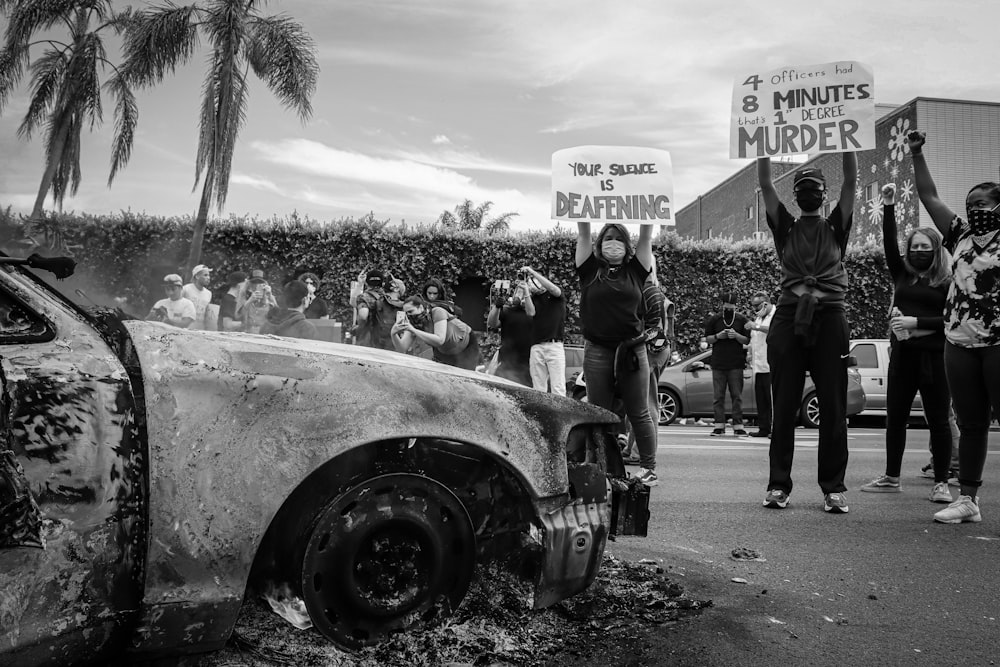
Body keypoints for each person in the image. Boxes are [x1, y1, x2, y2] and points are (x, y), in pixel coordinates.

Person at [908, 130, 1000, 524]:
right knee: (971, 421)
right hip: (958, 343)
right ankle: (969, 501)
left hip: (997, 342)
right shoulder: (960, 234)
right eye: (969, 204)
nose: (973, 209)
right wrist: (916, 153)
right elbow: (929, 197)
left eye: (981, 204)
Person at [757, 151, 857, 514]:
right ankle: (778, 486)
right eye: (802, 188)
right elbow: (766, 183)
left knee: (833, 404)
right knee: (783, 404)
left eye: (814, 188)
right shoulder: (785, 226)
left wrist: (848, 141)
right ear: (795, 196)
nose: (807, 192)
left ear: (824, 194)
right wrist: (764, 142)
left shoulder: (836, 226)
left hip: (830, 316)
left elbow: (850, 182)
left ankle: (833, 488)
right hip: (788, 317)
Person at [860, 183, 954, 504]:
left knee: (939, 421)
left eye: (924, 247)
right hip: (902, 357)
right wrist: (887, 204)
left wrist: (915, 323)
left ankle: (941, 482)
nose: (917, 251)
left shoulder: (946, 281)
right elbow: (889, 244)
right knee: (895, 418)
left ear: (936, 249)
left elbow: (950, 323)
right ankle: (891, 477)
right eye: (913, 246)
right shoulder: (902, 274)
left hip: (934, 360)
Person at [575, 222, 658, 487]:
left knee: (639, 412)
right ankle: (599, 467)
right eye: (608, 238)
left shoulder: (636, 269)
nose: (613, 243)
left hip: (632, 350)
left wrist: (649, 211)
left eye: (618, 238)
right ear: (599, 244)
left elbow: (646, 233)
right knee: (598, 414)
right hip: (597, 350)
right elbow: (583, 230)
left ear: (627, 245)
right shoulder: (590, 269)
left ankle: (649, 469)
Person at [704, 291, 750, 437]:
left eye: (731, 307)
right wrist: (718, 336)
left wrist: (736, 336)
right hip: (718, 363)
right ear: (722, 305)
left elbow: (747, 340)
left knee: (737, 396)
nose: (729, 309)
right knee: (718, 396)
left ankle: (738, 425)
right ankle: (719, 426)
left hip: (736, 363)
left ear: (735, 306)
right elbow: (708, 339)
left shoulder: (742, 320)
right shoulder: (714, 319)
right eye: (726, 307)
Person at [392, 295, 480, 370]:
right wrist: (393, 334)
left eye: (411, 311)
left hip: (467, 346)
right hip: (444, 351)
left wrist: (413, 330)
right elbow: (402, 349)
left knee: (465, 379)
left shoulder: (437, 312)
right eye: (406, 313)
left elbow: (439, 340)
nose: (409, 316)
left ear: (421, 307)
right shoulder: (413, 324)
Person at [524, 266, 567, 395]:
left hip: (554, 345)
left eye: (534, 280)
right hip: (537, 345)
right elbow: (530, 312)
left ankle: (560, 414)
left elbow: (554, 289)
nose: (532, 283)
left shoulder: (555, 295)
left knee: (558, 387)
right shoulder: (533, 299)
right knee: (538, 387)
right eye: (530, 280)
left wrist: (531, 272)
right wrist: (526, 291)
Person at [486, 277, 534, 386]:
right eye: (518, 291)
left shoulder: (534, 312)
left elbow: (531, 312)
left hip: (529, 362)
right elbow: (492, 323)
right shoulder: (507, 310)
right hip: (507, 359)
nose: (520, 295)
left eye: (524, 292)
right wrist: (497, 306)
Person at [353, 269, 404, 350]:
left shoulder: (364, 297)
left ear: (367, 282)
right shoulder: (388, 297)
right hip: (387, 341)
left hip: (368, 341)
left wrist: (360, 284)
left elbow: (363, 315)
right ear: (382, 283)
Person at [747, 291, 775, 438]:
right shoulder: (758, 318)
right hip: (758, 366)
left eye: (757, 306)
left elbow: (773, 330)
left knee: (772, 401)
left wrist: (756, 327)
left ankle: (775, 428)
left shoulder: (776, 315)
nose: (755, 309)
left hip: (771, 365)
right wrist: (749, 353)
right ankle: (764, 428)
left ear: (765, 303)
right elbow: (755, 339)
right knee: (762, 400)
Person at [239, 269, 277, 334]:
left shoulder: (270, 300)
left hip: (265, 336)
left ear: (266, 284)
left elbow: (279, 317)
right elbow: (239, 317)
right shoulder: (245, 298)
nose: (257, 285)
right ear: (250, 284)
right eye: (254, 282)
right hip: (248, 335)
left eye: (260, 282)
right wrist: (249, 301)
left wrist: (270, 297)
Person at [182, 264, 213, 330]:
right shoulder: (186, 289)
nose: (208, 277)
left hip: (200, 331)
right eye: (205, 275)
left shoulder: (209, 293)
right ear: (197, 276)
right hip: (185, 329)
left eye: (209, 275)